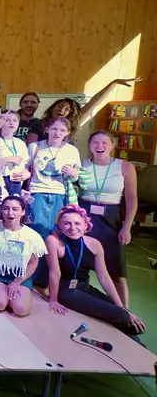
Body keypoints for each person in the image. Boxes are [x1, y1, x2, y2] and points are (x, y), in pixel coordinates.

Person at [46, 205, 145, 339]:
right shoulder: (54, 241)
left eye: (77, 223)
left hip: (85, 288)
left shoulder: (95, 244)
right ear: (60, 226)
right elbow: (54, 272)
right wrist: (53, 300)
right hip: (67, 291)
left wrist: (121, 305)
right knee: (123, 316)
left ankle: (137, 345)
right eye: (67, 223)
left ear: (86, 225)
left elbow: (104, 276)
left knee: (125, 315)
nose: (72, 228)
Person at [79, 130, 137, 308]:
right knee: (79, 266)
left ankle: (124, 312)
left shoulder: (125, 166)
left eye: (104, 142)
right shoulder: (82, 164)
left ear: (112, 145)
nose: (99, 146)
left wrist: (127, 227)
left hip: (111, 219)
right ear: (89, 146)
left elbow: (131, 199)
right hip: (84, 216)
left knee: (116, 271)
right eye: (95, 142)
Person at [26, 117, 81, 284]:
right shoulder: (35, 147)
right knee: (37, 234)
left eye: (63, 130)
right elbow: (25, 169)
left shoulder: (72, 151)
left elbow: (77, 176)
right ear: (47, 129)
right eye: (55, 129)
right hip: (38, 193)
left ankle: (50, 278)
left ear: (68, 133)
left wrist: (72, 173)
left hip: (60, 195)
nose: (58, 133)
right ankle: (32, 276)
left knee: (55, 235)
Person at [0, 197, 46, 316]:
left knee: (21, 310)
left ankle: (10, 296)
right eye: (6, 209)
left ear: (23, 212)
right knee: (0, 304)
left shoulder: (33, 236)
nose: (10, 213)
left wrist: (17, 282)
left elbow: (33, 263)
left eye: (15, 209)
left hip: (19, 276)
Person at [37, 78, 141, 143]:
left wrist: (114, 83)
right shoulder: (40, 124)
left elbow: (93, 103)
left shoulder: (72, 125)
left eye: (67, 109)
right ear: (53, 108)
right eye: (59, 106)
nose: (62, 110)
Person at [0, 110, 30, 223]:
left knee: (12, 220)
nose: (11, 123)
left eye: (14, 120)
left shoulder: (20, 143)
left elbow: (25, 167)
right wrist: (7, 160)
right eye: (7, 120)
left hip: (15, 183)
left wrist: (26, 174)